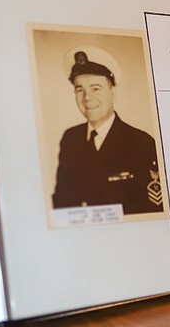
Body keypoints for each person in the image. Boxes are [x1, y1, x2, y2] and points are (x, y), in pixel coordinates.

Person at [52, 49, 163, 215]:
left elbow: (151, 211)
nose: (87, 97)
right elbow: (62, 203)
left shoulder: (141, 143)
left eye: (95, 88)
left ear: (113, 93)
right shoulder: (70, 139)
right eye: (79, 89)